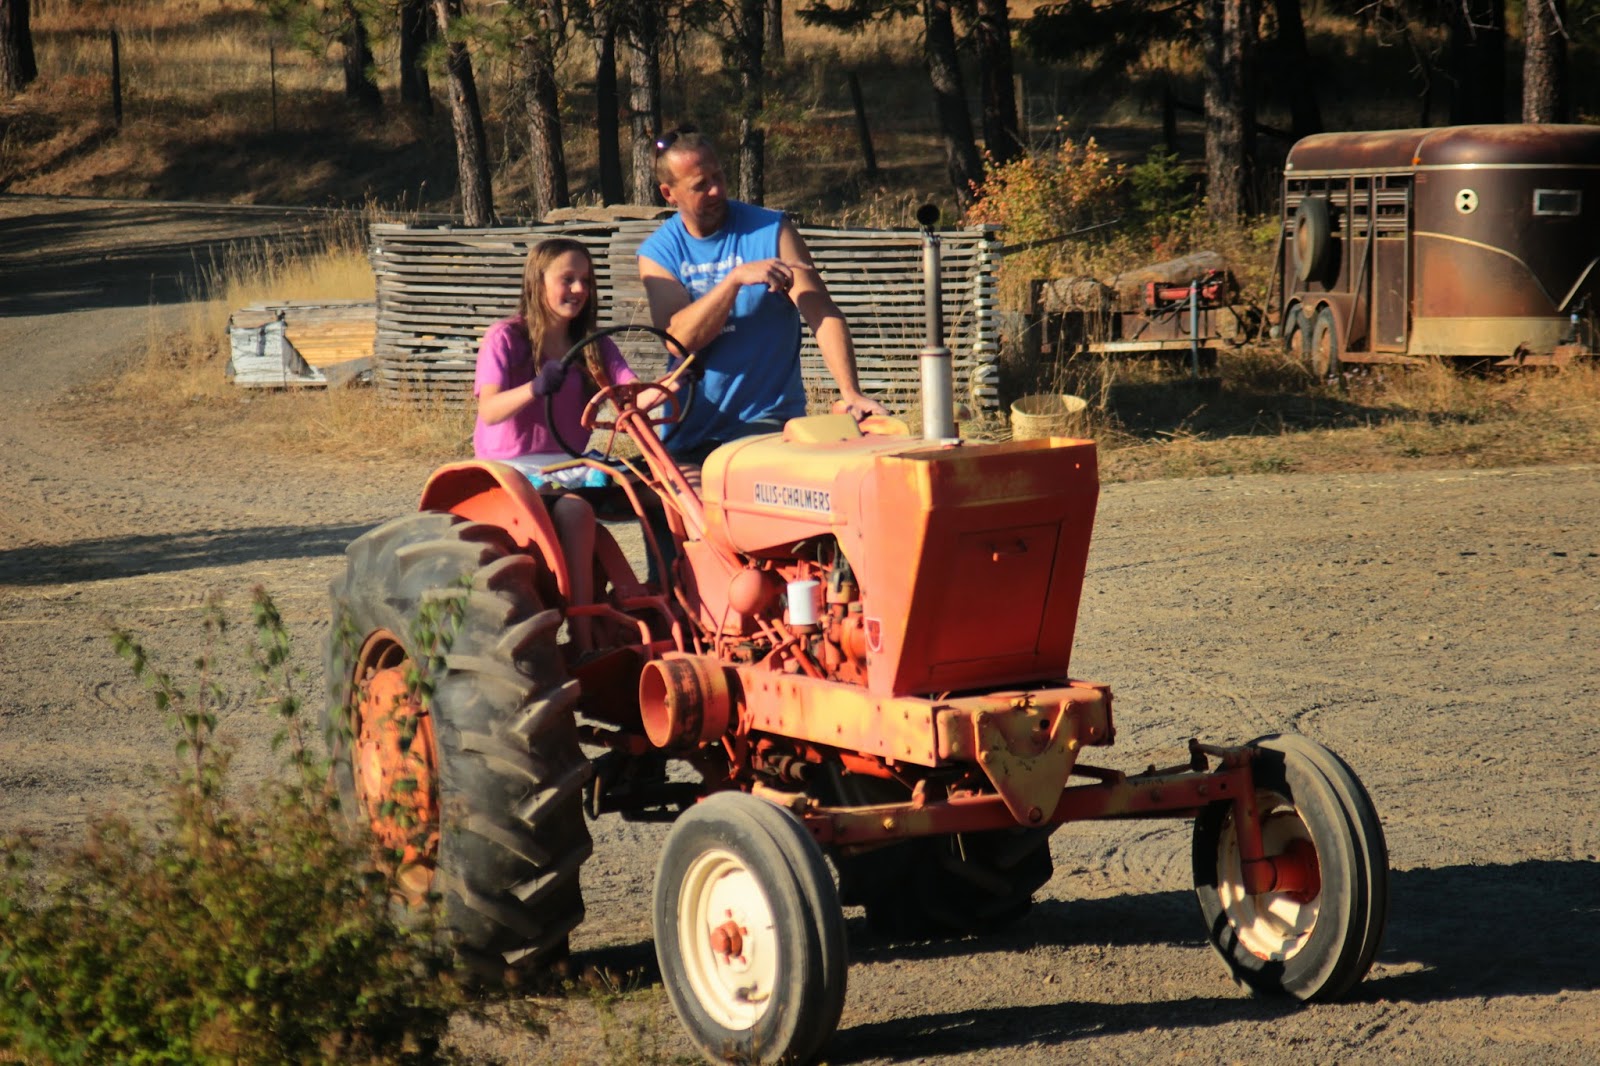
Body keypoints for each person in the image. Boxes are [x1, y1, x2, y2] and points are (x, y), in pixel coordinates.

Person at [636, 127, 888, 468]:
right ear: (669, 193)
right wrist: (735, 280)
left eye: (718, 176)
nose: (716, 190)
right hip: (689, 430)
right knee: (662, 507)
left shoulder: (771, 230)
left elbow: (821, 313)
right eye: (700, 185)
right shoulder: (659, 252)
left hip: (767, 425)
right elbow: (678, 339)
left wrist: (851, 391)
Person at [473, 237, 637, 651]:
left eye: (586, 280)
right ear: (537, 281)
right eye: (568, 279)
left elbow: (632, 391)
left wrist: (673, 386)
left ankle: (658, 607)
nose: (580, 290)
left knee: (658, 496)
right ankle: (583, 643)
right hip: (513, 470)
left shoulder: (592, 344)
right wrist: (535, 387)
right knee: (577, 511)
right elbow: (490, 410)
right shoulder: (505, 338)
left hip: (571, 463)